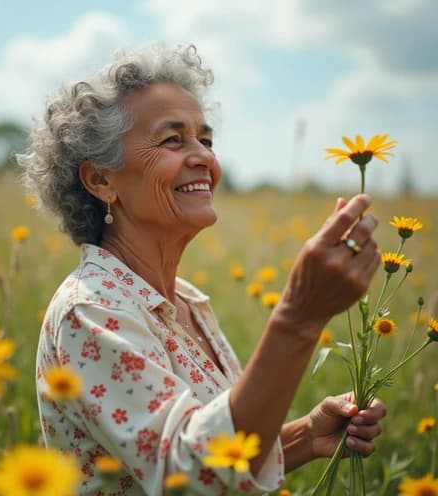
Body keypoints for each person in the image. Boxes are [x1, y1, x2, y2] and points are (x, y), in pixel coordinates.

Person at [19, 44, 386, 495]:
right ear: (101, 180)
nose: (204, 158)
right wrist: (298, 317)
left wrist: (304, 437)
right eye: (173, 140)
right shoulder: (90, 311)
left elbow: (212, 455)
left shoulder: (185, 301)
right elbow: (188, 478)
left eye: (205, 140)